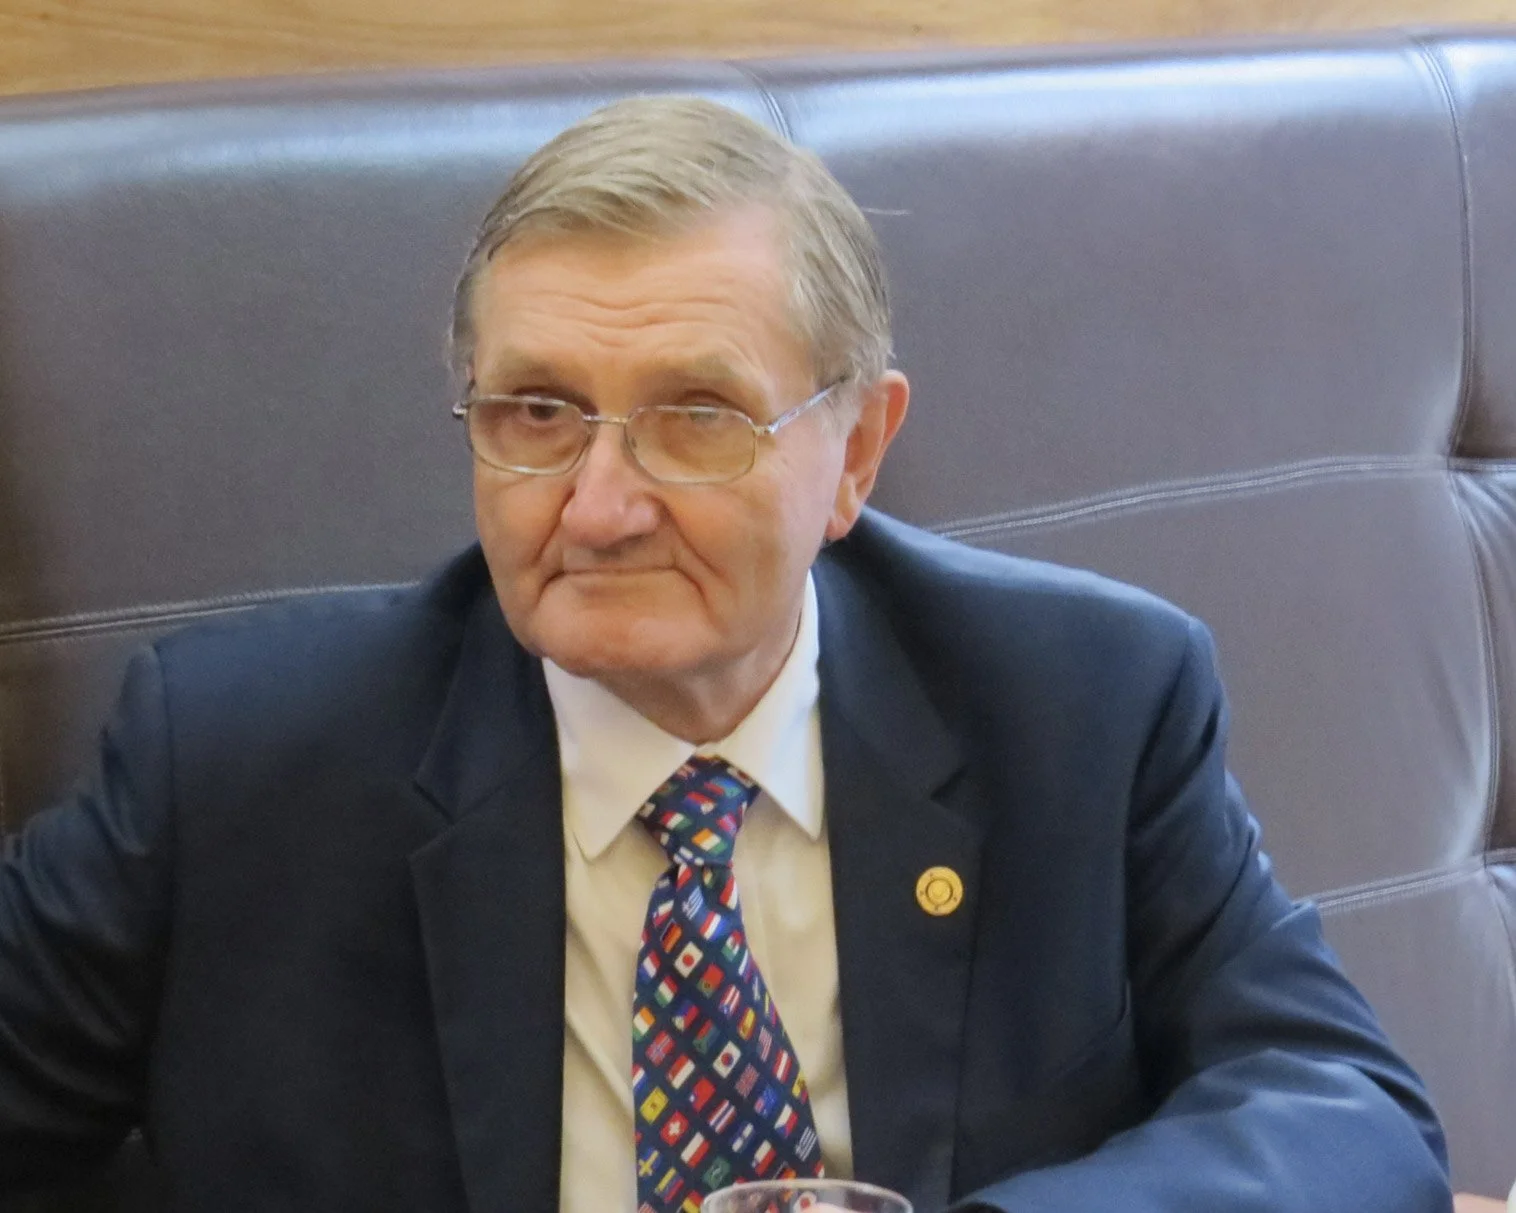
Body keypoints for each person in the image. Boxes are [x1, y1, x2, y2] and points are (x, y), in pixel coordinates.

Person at [0, 96, 1452, 1213]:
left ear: (857, 453)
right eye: (537, 413)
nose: (601, 504)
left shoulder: (1080, 702)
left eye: (697, 414)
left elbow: (1344, 1108)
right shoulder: (238, 760)